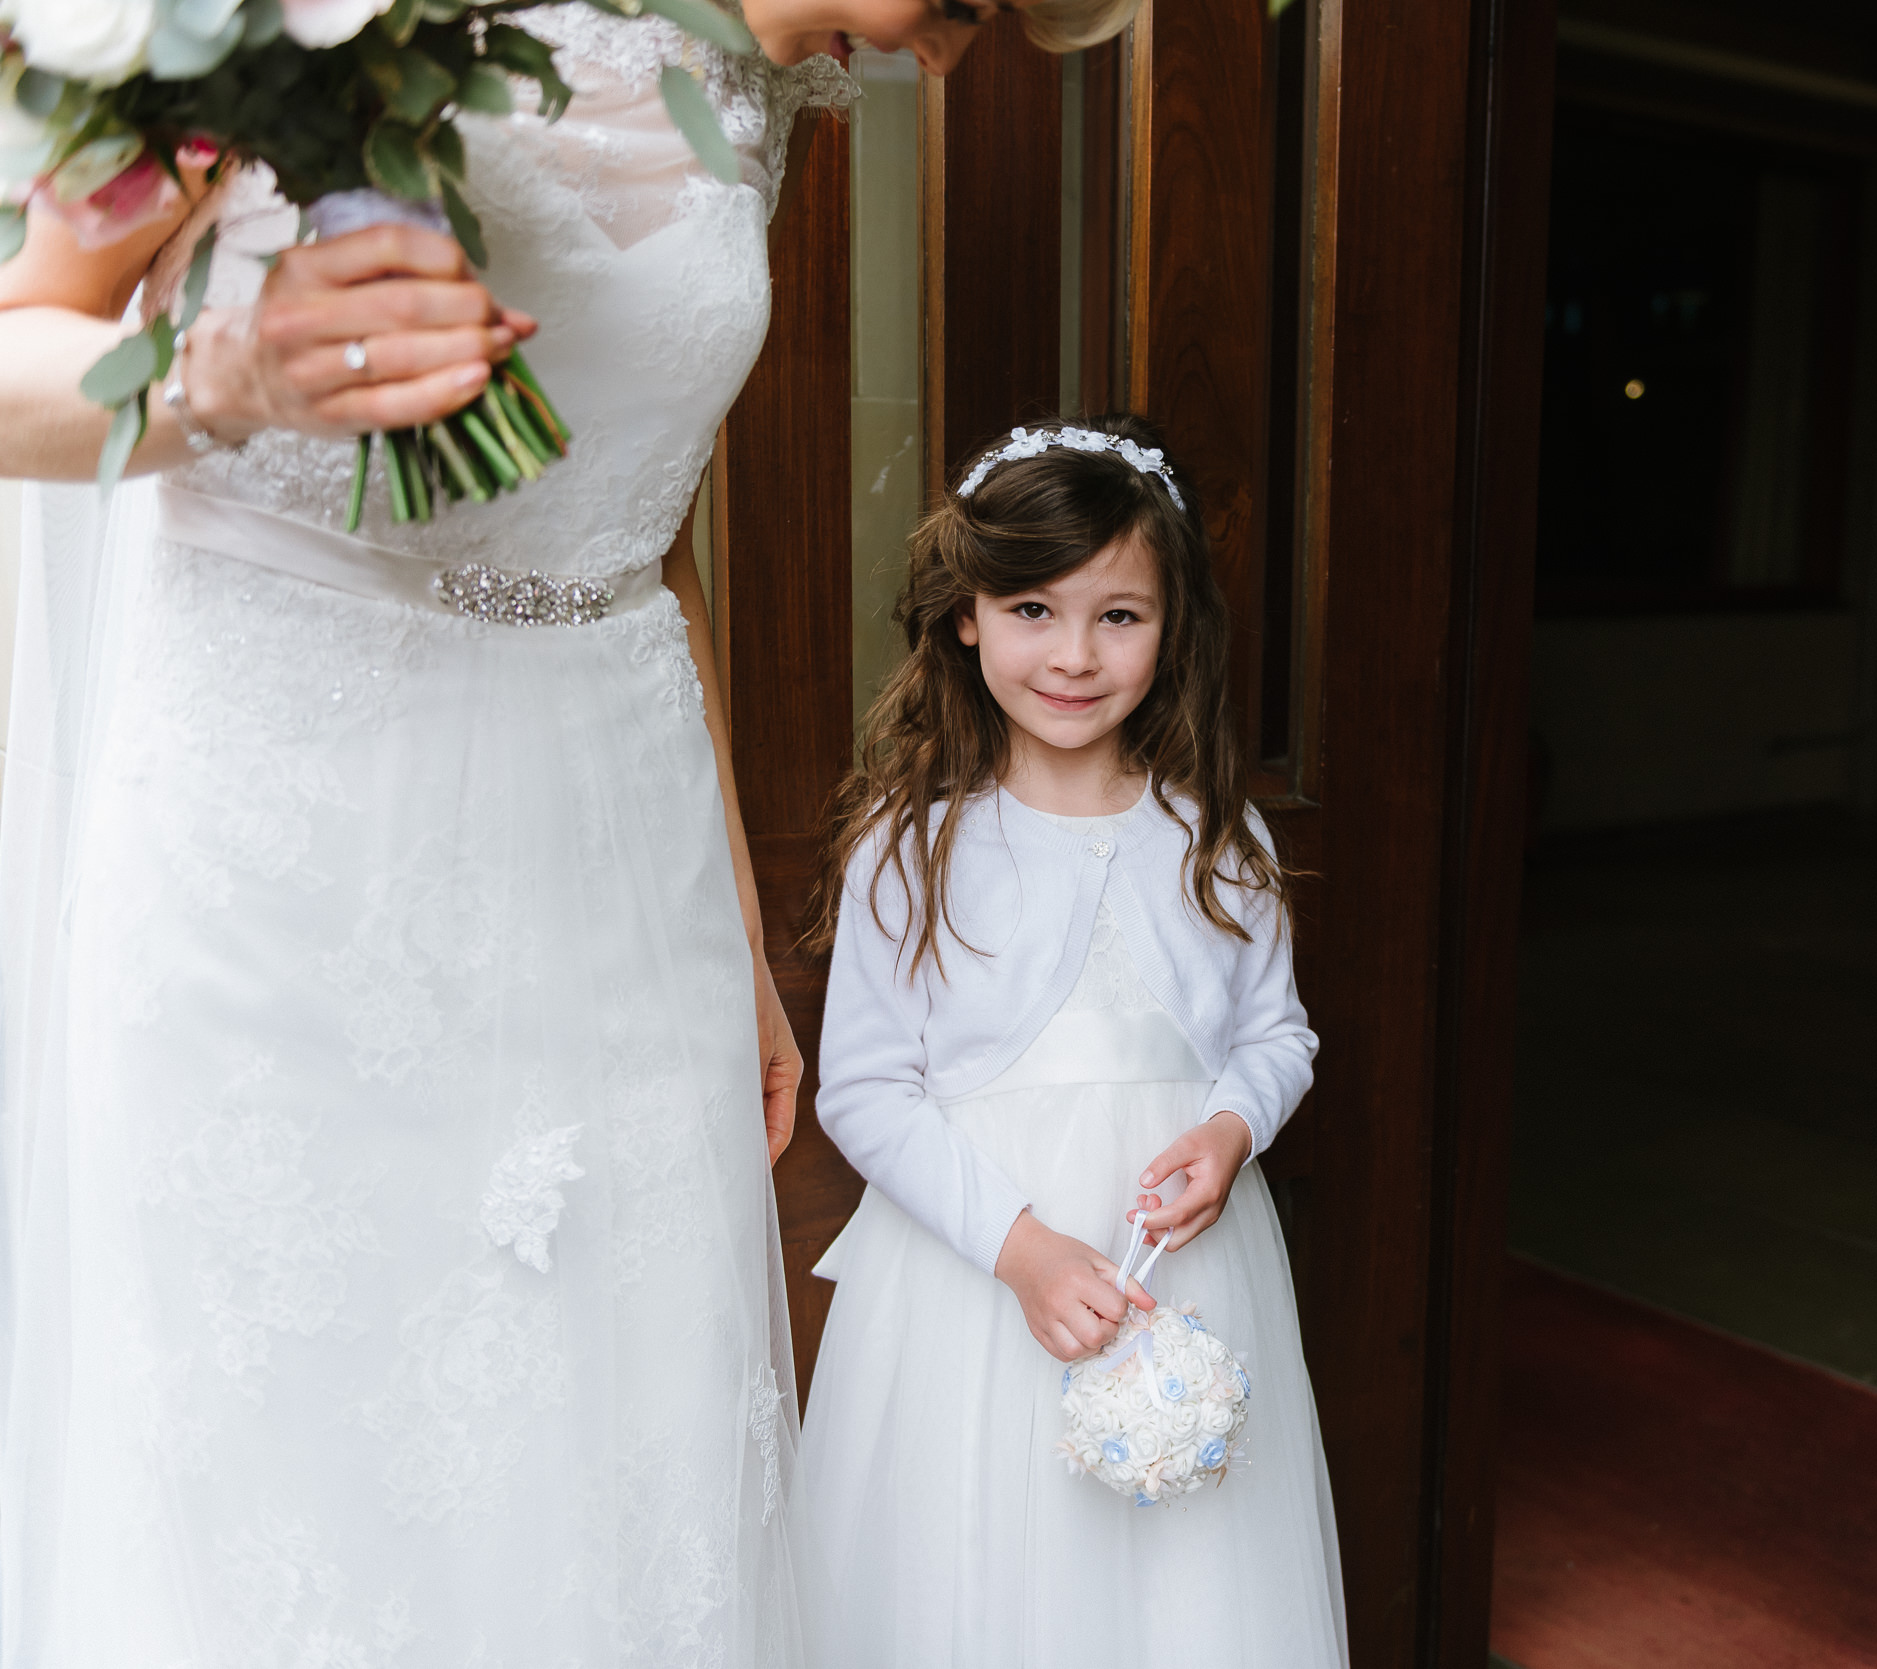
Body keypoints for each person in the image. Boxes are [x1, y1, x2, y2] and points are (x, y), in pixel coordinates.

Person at [0, 1, 1138, 1664]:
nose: (946, 63)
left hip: (610, 844)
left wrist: (741, 943)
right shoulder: (294, 32)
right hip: (286, 842)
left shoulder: (757, 100)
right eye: (960, 4)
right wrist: (225, 373)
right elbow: (24, 347)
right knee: (299, 1435)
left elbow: (632, 535)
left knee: (607, 1431)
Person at [798, 416, 1350, 1667]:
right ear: (966, 617)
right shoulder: (912, 843)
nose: (1074, 655)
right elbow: (869, 1091)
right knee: (984, 1567)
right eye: (1034, 610)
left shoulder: (1219, 840)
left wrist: (1229, 1125)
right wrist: (1026, 1252)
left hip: (1181, 1275)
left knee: (1183, 1593)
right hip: (981, 1275)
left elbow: (1277, 1032)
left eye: (1119, 616)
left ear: (1174, 629)